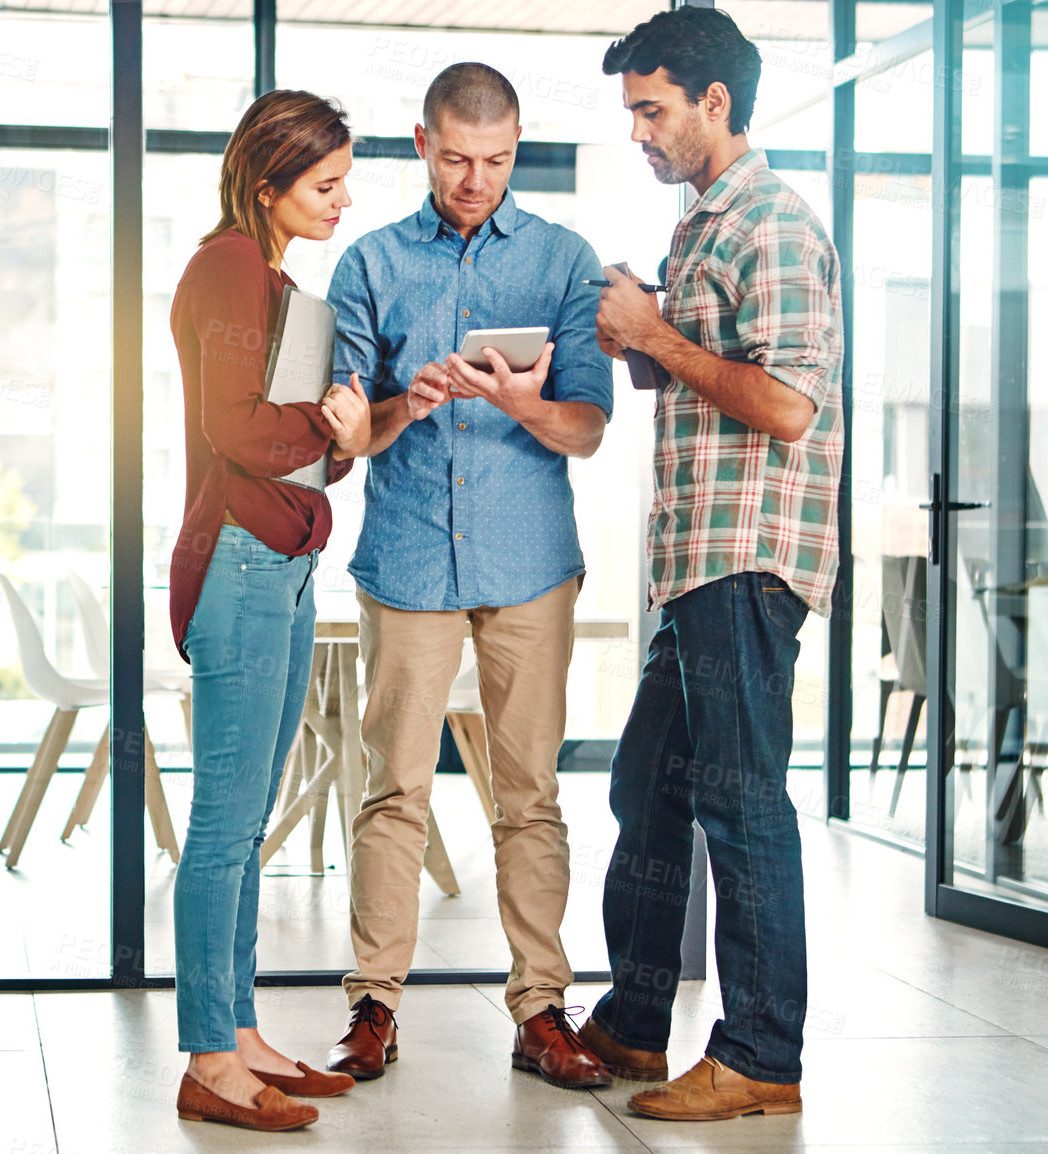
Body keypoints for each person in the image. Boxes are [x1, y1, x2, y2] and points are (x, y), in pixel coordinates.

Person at [321, 63, 614, 1091]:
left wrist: (519, 399)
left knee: (528, 795)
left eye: (494, 161)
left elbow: (585, 428)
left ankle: (540, 1008)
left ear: (516, 148)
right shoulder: (367, 263)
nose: (474, 179)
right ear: (421, 144)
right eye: (455, 159)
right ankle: (372, 1006)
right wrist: (410, 398)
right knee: (393, 786)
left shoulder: (564, 261)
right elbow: (344, 438)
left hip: (528, 560)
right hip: (406, 557)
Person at [579, 6, 844, 1123]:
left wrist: (655, 337)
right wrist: (638, 340)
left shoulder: (771, 223)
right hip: (691, 562)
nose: (637, 132)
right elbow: (706, 378)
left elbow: (786, 403)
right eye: (632, 111)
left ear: (713, 104)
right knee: (648, 784)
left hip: (744, 559)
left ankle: (758, 1052)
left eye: (650, 109)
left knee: (740, 805)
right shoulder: (702, 223)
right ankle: (638, 1021)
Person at [166, 89, 374, 1133]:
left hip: (285, 561)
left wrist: (345, 433)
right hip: (241, 560)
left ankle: (239, 1030)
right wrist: (331, 428)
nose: (343, 200)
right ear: (267, 185)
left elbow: (305, 443)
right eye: (325, 184)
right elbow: (239, 428)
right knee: (221, 826)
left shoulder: (276, 277)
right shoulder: (228, 267)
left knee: (246, 822)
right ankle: (207, 1055)